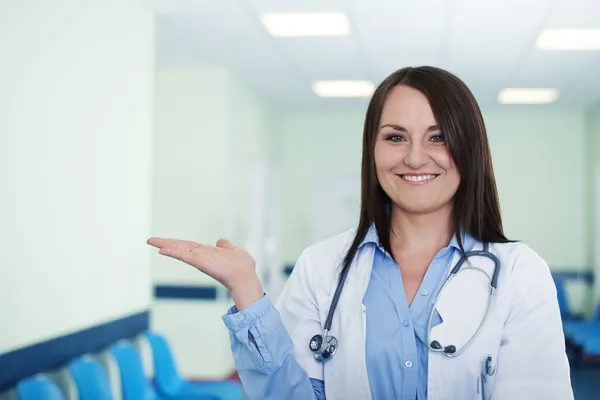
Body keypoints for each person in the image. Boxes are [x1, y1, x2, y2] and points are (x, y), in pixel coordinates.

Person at [147, 66, 574, 400]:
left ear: (469, 148)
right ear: (372, 149)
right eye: (395, 137)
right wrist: (246, 289)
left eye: (438, 137)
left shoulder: (521, 275)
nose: (414, 157)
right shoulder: (321, 269)